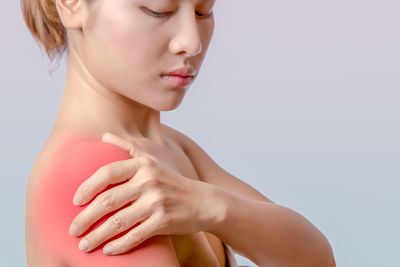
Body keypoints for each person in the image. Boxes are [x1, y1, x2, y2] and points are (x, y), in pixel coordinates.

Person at [23, 0, 336, 266]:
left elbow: (316, 258)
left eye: (203, 11)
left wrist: (212, 206)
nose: (192, 41)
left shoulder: (172, 147)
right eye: (160, 10)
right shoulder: (91, 170)